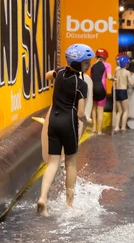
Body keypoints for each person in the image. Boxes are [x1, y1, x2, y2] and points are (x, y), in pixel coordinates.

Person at [36, 44, 95, 217]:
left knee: (53, 163)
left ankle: (42, 198)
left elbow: (48, 75)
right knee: (70, 163)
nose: (89, 65)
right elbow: (82, 113)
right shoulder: (81, 84)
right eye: (86, 63)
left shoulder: (60, 72)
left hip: (53, 121)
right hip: (68, 124)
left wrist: (57, 72)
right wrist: (88, 121)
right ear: (78, 65)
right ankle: (69, 204)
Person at [113, 55, 134, 131]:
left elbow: (114, 81)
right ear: (126, 64)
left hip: (117, 91)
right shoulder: (127, 72)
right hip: (123, 91)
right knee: (126, 110)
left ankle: (116, 127)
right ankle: (123, 127)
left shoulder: (116, 71)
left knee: (119, 111)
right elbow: (131, 83)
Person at [90, 48, 113, 134]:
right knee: (100, 109)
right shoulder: (107, 65)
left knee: (94, 108)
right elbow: (109, 76)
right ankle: (99, 131)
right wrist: (114, 79)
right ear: (105, 57)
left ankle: (94, 128)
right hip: (101, 89)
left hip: (93, 88)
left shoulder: (92, 66)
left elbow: (91, 78)